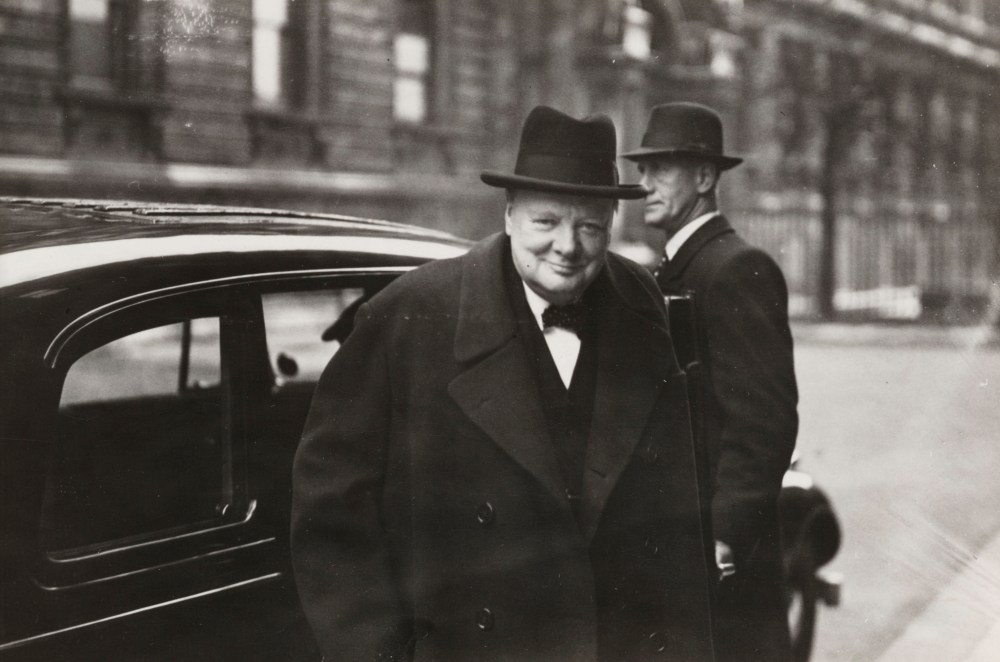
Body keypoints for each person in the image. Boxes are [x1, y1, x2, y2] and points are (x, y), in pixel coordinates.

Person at [291, 106, 716, 661]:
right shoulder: (408, 315)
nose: (568, 246)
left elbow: (676, 515)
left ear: (611, 225)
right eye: (546, 222)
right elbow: (331, 511)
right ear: (510, 214)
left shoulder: (639, 302)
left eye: (590, 225)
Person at [623, 102, 799, 662]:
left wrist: (726, 535)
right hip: (679, 544)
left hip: (719, 557)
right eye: (642, 168)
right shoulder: (674, 267)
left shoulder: (735, 267)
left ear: (704, 178)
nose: (643, 182)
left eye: (661, 169)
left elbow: (765, 418)